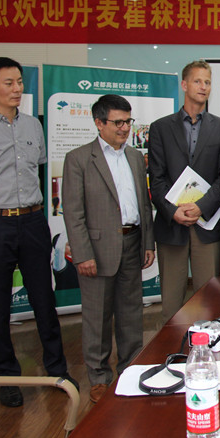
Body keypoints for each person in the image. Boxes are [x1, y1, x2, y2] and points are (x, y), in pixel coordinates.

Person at [0, 57, 76, 407]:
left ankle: (57, 370)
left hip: (32, 222)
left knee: (44, 300)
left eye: (19, 82)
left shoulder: (33, 125)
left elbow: (38, 172)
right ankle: (6, 378)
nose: (17, 89)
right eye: (9, 83)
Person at [62, 94, 155, 403]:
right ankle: (99, 377)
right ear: (99, 123)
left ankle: (130, 370)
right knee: (97, 317)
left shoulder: (134, 157)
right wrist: (83, 254)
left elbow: (143, 204)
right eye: (118, 122)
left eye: (128, 121)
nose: (125, 128)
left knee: (131, 314)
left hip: (133, 242)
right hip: (97, 249)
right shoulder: (78, 159)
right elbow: (73, 212)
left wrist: (148, 243)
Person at [148, 60, 220, 323]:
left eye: (207, 82)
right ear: (184, 85)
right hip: (171, 223)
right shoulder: (160, 127)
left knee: (208, 300)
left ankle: (208, 346)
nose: (203, 87)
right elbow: (156, 178)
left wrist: (200, 207)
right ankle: (170, 347)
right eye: (197, 81)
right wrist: (173, 211)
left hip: (206, 224)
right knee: (171, 303)